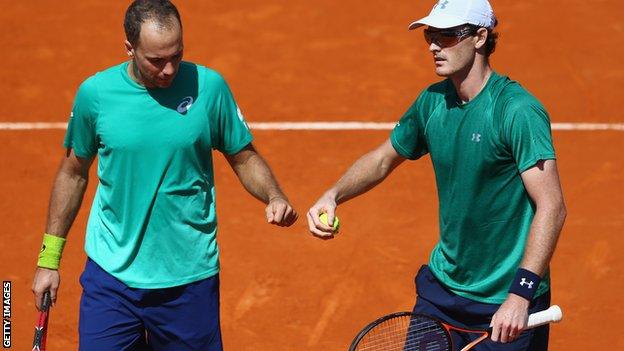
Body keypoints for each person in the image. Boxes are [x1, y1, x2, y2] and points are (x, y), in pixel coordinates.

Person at [31, 0, 297, 349]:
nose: (170, 69)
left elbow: (244, 157)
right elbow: (73, 172)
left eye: (177, 55)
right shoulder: (95, 95)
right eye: (156, 60)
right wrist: (49, 259)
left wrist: (274, 195)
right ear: (129, 48)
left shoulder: (209, 87)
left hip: (188, 280)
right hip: (112, 278)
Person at [307, 0, 566, 350]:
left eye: (445, 36)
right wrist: (333, 194)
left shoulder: (516, 111)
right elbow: (384, 158)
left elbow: (551, 206)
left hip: (505, 302)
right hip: (442, 292)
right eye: (431, 35)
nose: (432, 45)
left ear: (479, 37)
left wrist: (520, 295)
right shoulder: (432, 102)